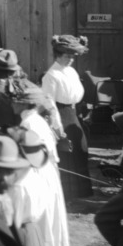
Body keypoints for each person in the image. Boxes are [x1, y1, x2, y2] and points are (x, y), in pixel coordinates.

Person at [6, 82, 75, 246]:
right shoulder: (36, 120)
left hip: (38, 175)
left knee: (42, 224)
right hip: (45, 173)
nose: (11, 103)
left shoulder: (29, 123)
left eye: (15, 100)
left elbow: (31, 156)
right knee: (47, 224)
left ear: (24, 103)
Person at [42, 34, 93, 200]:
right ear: (58, 55)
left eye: (73, 56)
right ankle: (66, 195)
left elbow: (77, 94)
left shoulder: (71, 71)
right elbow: (49, 103)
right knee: (66, 152)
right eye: (67, 56)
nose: (71, 59)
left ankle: (80, 192)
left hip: (74, 113)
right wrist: (58, 128)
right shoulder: (51, 75)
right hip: (61, 114)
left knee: (81, 148)